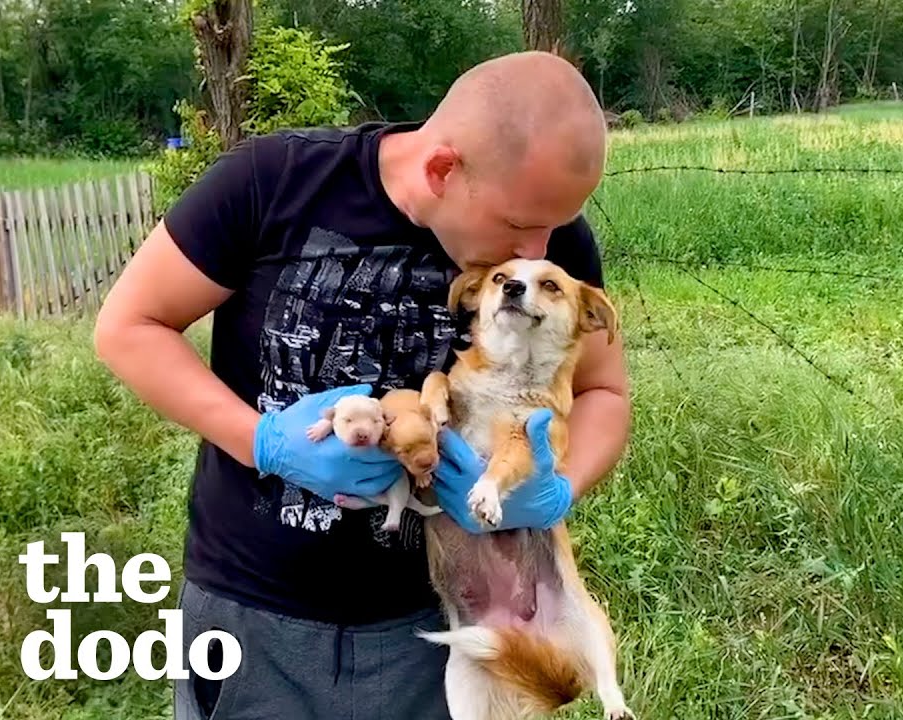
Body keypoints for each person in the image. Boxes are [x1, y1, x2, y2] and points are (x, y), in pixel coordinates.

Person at [94, 50, 631, 720]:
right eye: (522, 228)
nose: (538, 250)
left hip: (432, 638)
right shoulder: (273, 180)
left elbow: (606, 392)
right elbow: (127, 327)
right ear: (442, 170)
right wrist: (262, 440)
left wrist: (556, 493)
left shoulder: (543, 243)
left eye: (555, 228)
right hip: (252, 620)